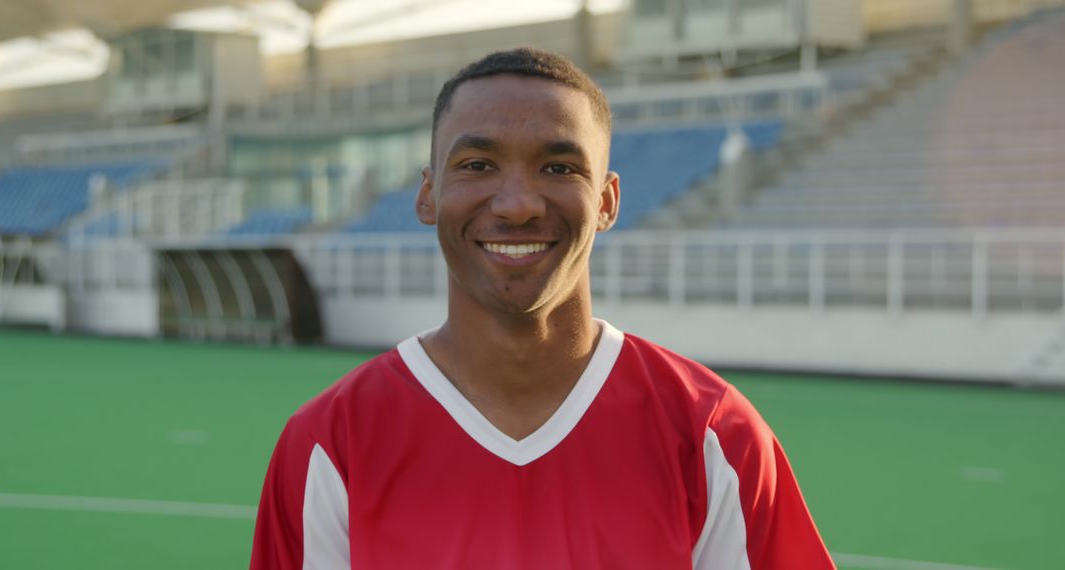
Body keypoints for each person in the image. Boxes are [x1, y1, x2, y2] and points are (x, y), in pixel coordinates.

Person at [251, 47, 834, 569]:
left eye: (559, 168)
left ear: (606, 201)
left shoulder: (713, 435)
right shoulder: (331, 443)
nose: (519, 205)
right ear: (428, 194)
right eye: (477, 165)